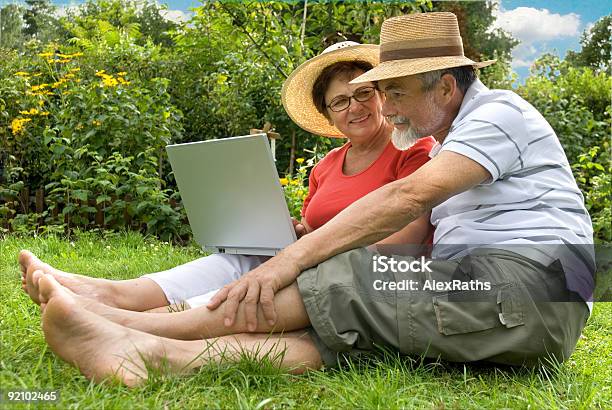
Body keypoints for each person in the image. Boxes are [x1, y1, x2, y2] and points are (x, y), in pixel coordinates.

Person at [23, 12, 593, 386]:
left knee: (351, 280)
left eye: (393, 93)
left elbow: (410, 195)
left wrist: (286, 263)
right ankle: (153, 357)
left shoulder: (499, 114)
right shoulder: (449, 132)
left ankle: (126, 322)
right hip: (496, 298)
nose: (387, 108)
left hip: (531, 289)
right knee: (339, 335)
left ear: (445, 85)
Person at [20, 42, 436, 315]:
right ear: (328, 115)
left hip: (360, 273)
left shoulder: (411, 150)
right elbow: (311, 227)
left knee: (261, 278)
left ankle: (132, 318)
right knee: (237, 259)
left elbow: (410, 236)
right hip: (307, 257)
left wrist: (311, 252)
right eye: (340, 101)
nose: (354, 107)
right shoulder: (327, 165)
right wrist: (293, 231)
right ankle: (111, 293)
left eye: (363, 93)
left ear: (382, 94)